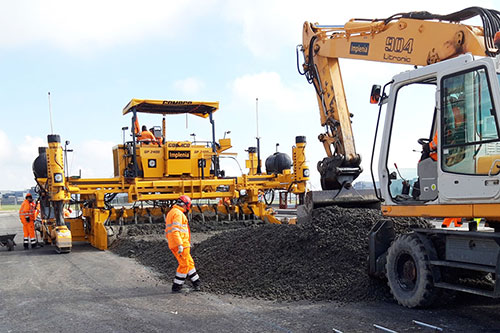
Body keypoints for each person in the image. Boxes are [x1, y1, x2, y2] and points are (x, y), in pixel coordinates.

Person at [165, 195, 201, 293]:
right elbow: (175, 231)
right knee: (184, 265)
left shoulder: (172, 212)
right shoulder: (178, 214)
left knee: (189, 262)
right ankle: (177, 286)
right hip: (181, 244)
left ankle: (196, 282)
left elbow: (169, 231)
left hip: (177, 243)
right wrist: (180, 244)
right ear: (186, 205)